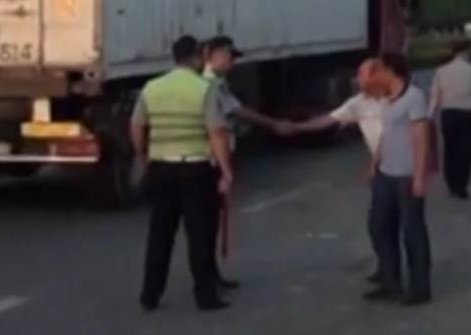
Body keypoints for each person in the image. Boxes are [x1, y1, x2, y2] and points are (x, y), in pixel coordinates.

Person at [131, 35, 231, 313]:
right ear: (198, 57)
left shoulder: (152, 87)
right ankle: (205, 297)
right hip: (196, 169)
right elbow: (216, 132)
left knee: (160, 235)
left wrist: (143, 157)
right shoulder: (203, 88)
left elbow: (137, 126)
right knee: (200, 235)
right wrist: (225, 170)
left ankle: (150, 294)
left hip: (161, 168)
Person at [276, 58, 387, 283]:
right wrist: (295, 127)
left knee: (403, 224)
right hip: (382, 171)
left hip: (398, 168)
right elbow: (327, 120)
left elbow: (394, 136)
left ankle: (410, 278)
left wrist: (374, 163)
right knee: (379, 225)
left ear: (378, 75)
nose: (357, 78)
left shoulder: (393, 100)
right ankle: (388, 268)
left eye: (362, 74)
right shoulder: (359, 102)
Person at [199, 35, 280, 290]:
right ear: (211, 54)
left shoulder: (219, 83)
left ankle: (211, 274)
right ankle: (206, 280)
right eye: (228, 56)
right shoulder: (208, 84)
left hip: (212, 157)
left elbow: (238, 109)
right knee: (205, 224)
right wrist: (226, 170)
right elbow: (218, 129)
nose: (232, 62)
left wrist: (272, 124)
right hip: (208, 159)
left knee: (211, 223)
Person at [366, 52, 433, 306]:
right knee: (380, 226)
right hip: (386, 172)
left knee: (412, 231)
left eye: (377, 69)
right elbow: (386, 133)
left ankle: (420, 287)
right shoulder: (387, 99)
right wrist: (375, 163)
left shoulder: (414, 97)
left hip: (406, 174)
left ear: (390, 70)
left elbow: (421, 137)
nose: (374, 75)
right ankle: (390, 280)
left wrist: (419, 175)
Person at [428, 39, 471, 199]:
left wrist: (429, 116)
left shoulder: (441, 71)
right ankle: (462, 185)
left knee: (450, 149)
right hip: (468, 114)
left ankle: (451, 182)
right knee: (466, 151)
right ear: (465, 51)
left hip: (448, 114)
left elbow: (435, 96)